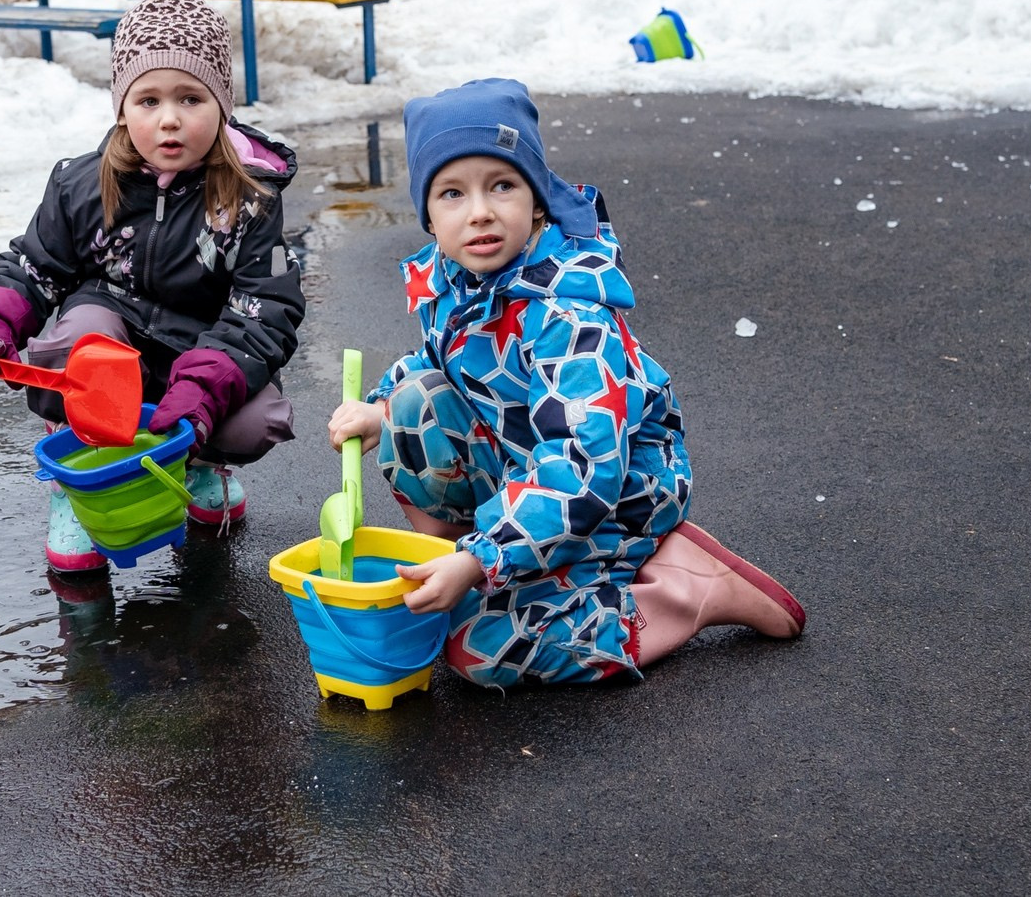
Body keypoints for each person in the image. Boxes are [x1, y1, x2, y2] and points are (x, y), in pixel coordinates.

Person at [327, 79, 804, 689]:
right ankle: (473, 566)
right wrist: (377, 411)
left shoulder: (568, 318)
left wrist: (480, 560)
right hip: (523, 471)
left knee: (480, 650)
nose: (479, 211)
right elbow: (436, 361)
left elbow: (582, 465)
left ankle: (683, 589)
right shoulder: (458, 280)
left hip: (613, 498)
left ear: (539, 201)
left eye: (502, 185)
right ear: (428, 216)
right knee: (412, 404)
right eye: (452, 193)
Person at [0, 0, 304, 572]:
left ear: (223, 106)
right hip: (112, 338)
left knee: (255, 418)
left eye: (191, 98)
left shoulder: (249, 200)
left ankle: (196, 463)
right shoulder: (80, 184)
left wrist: (206, 389)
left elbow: (265, 311)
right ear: (121, 105)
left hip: (199, 350)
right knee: (81, 341)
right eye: (148, 99)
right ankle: (77, 487)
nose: (168, 119)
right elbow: (35, 265)